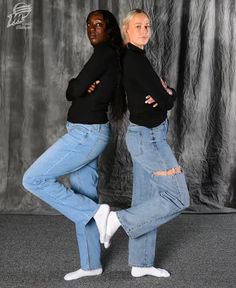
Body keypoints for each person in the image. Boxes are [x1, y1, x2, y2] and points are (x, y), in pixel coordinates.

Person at [22, 9, 125, 281]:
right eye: (89, 25)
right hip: (89, 133)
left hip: (86, 135)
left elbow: (77, 90)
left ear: (109, 29)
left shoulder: (104, 53)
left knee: (33, 179)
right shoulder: (107, 56)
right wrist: (76, 86)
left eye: (98, 24)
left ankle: (98, 213)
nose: (92, 29)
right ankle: (91, 264)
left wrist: (78, 86)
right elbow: (73, 89)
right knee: (84, 196)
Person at [103, 9, 190, 278]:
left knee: (146, 200)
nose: (144, 31)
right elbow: (167, 101)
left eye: (147, 26)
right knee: (177, 198)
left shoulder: (136, 58)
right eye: (138, 26)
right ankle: (117, 219)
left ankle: (140, 263)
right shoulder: (134, 60)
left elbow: (165, 95)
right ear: (126, 31)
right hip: (149, 139)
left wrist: (164, 93)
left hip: (145, 135)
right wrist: (163, 93)